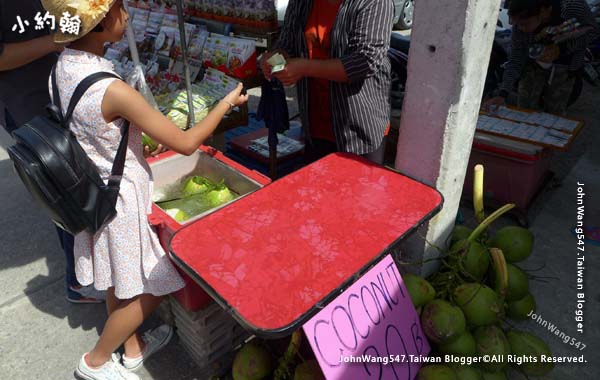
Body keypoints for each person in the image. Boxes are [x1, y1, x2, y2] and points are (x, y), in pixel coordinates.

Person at [41, 1, 248, 379]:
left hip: (93, 192)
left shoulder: (62, 68)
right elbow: (186, 143)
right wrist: (224, 104)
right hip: (120, 200)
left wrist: (132, 138)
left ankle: (133, 348)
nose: (127, 17)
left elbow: (93, 129)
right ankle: (96, 361)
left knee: (118, 278)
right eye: (120, 11)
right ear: (102, 22)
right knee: (158, 281)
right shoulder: (112, 89)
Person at [0, 0, 108, 303]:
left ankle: (91, 269)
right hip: (28, 105)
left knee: (81, 180)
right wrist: (54, 41)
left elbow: (70, 23)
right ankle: (80, 282)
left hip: (65, 90)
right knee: (65, 188)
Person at [259, 0, 394, 164]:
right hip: (315, 121)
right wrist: (274, 58)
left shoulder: (375, 2)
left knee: (359, 186)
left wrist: (304, 68)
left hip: (358, 124)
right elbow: (288, 42)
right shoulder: (302, 3)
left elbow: (364, 62)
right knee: (318, 185)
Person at [485, 0, 599, 114]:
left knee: (554, 113)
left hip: (566, 66)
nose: (520, 29)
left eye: (524, 24)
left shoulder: (572, 6)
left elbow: (593, 31)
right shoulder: (520, 22)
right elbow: (516, 60)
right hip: (533, 63)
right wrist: (503, 94)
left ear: (544, 11)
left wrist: (562, 49)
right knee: (525, 110)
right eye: (516, 24)